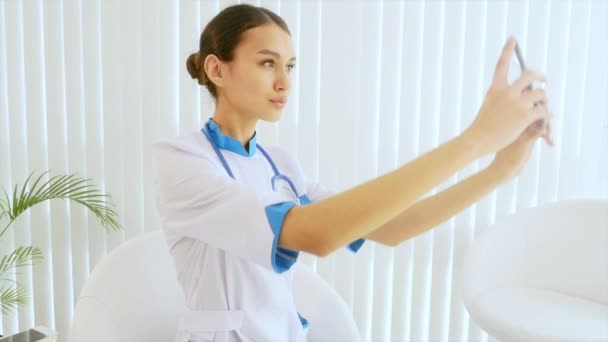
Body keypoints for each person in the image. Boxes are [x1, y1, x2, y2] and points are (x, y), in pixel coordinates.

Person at [152, 4, 554, 342]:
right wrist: (475, 140)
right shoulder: (182, 161)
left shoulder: (280, 165)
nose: (284, 82)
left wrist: (500, 169)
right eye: (267, 63)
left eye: (290, 66)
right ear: (217, 70)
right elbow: (318, 235)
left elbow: (393, 227)